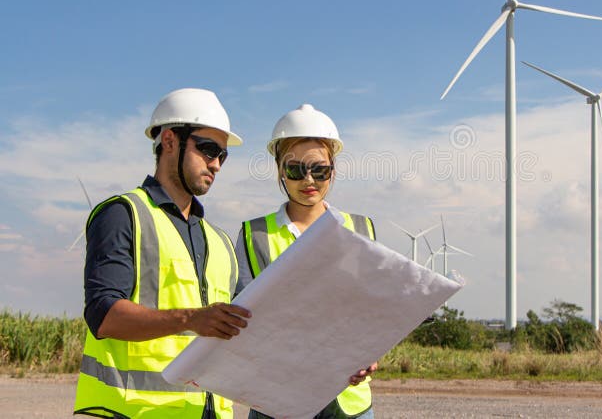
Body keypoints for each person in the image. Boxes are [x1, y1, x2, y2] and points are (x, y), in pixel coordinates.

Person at [74, 88, 252, 419]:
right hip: (132, 412)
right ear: (169, 141)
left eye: (223, 156)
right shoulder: (123, 214)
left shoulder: (221, 242)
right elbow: (104, 315)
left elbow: (249, 331)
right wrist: (192, 319)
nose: (216, 164)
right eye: (208, 149)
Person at [235, 103, 378, 419]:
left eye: (320, 169)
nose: (309, 179)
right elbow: (242, 320)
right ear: (279, 170)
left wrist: (371, 354)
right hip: (276, 395)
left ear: (333, 169)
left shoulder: (360, 229)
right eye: (296, 169)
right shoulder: (252, 235)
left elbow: (372, 312)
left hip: (347, 398)